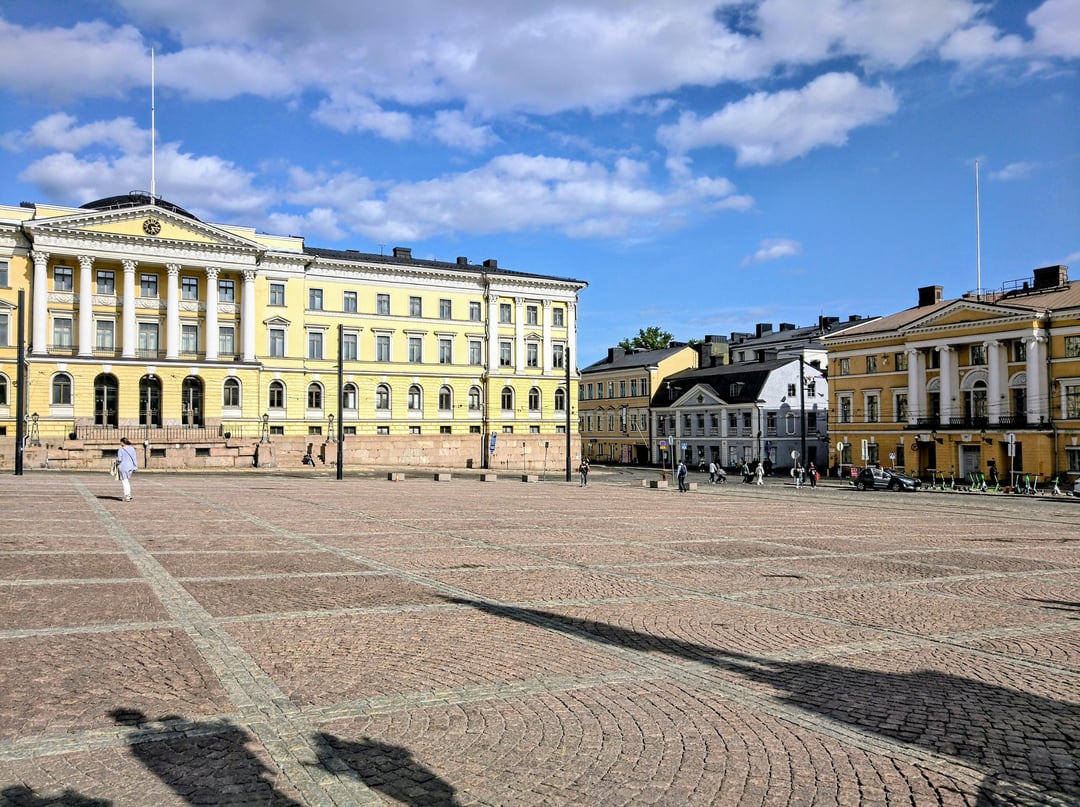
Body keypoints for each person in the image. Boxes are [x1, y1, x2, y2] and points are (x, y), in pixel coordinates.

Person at [116, 437, 138, 502]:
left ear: (123, 442)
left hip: (123, 466)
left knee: (124, 481)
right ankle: (128, 494)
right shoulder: (132, 449)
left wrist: (116, 462)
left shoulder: (121, 449)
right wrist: (135, 466)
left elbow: (119, 459)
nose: (120, 443)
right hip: (131, 466)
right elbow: (134, 458)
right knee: (127, 480)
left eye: (120, 442)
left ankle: (127, 495)